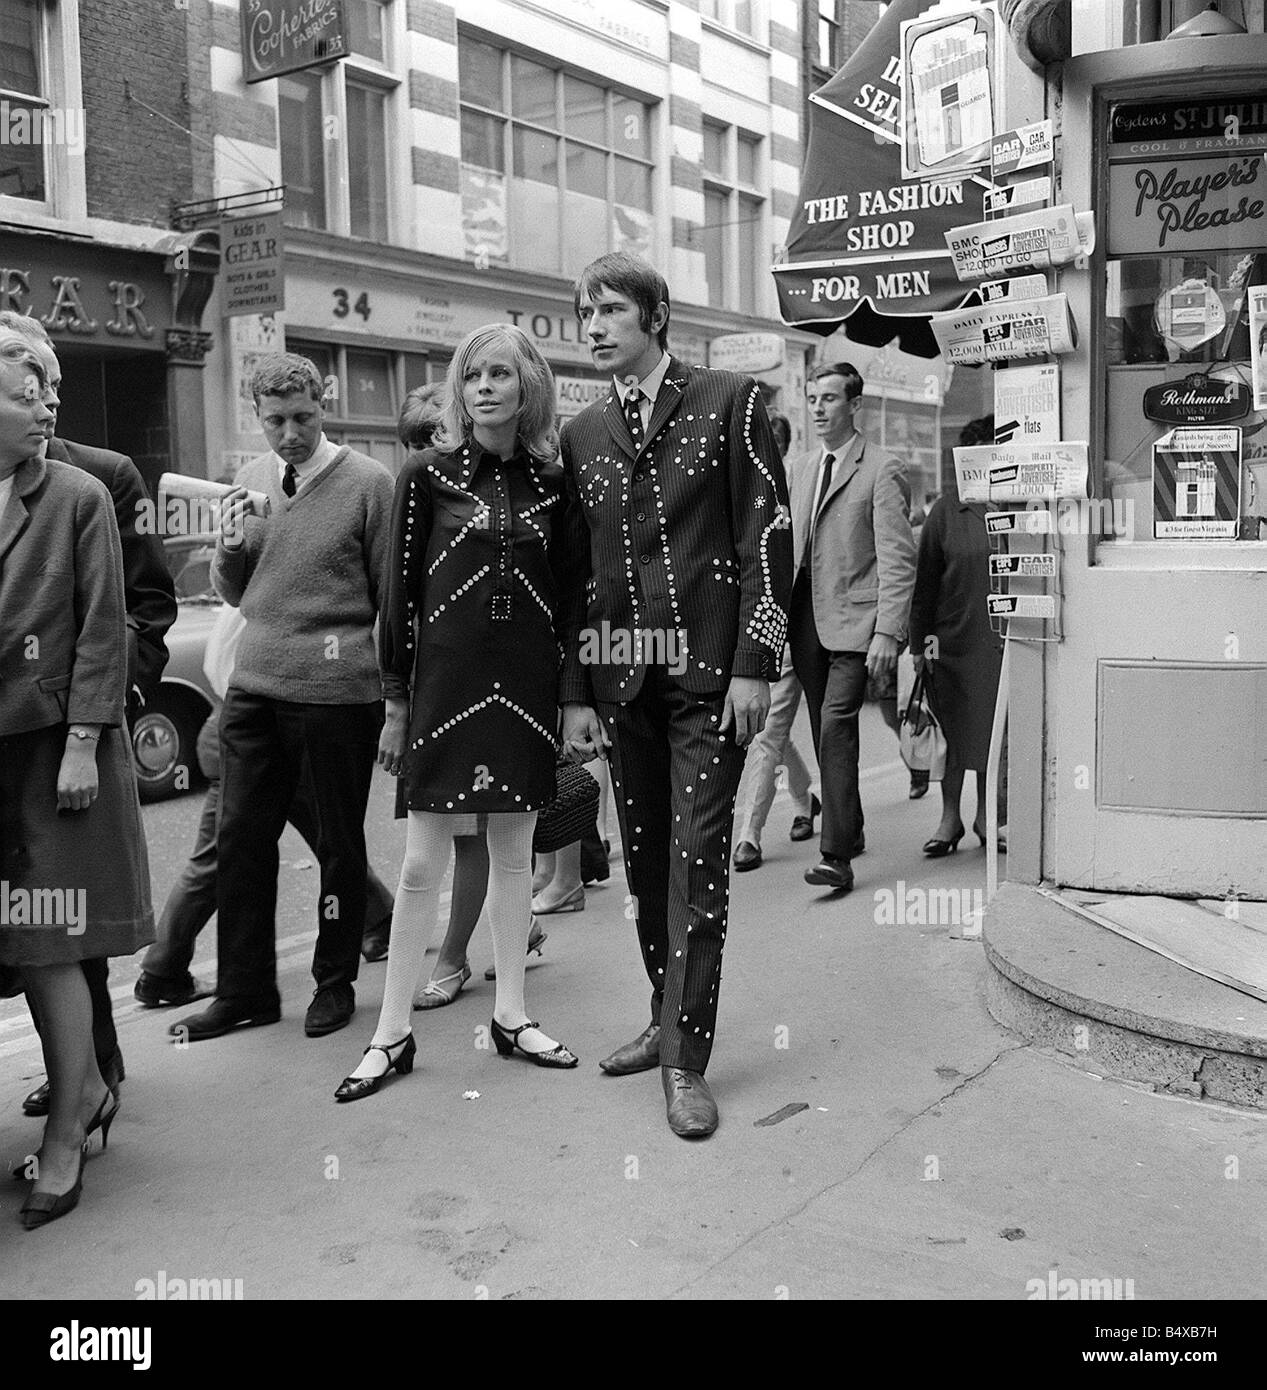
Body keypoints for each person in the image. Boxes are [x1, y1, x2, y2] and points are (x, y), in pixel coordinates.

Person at [558, 252, 793, 1139]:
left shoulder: (731, 402)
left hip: (708, 682)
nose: (594, 327)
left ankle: (684, 1063)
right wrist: (576, 689)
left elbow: (767, 538)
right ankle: (664, 1018)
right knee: (648, 860)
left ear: (656, 317)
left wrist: (751, 665)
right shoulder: (581, 435)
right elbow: (578, 574)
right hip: (624, 682)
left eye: (610, 309)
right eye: (586, 313)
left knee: (696, 859)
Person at [334, 323, 578, 1103]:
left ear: (526, 385)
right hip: (443, 688)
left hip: (526, 689)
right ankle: (390, 1034)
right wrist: (395, 703)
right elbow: (398, 598)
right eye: (471, 375)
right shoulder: (425, 475)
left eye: (499, 374)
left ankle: (510, 1013)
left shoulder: (552, 481)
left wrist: (574, 698)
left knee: (514, 856)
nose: (482, 387)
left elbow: (572, 600)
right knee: (417, 865)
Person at [171, 354, 393, 1043]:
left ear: (321, 407)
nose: (290, 434)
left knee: (336, 844)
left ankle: (333, 982)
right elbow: (238, 590)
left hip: (336, 694)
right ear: (258, 418)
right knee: (239, 841)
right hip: (254, 687)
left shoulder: (368, 484)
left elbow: (390, 596)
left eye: (302, 417)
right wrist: (230, 543)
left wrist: (396, 699)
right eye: (275, 421)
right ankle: (245, 990)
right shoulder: (250, 478)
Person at [0, 313, 176, 1121]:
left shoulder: (96, 482)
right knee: (33, 934)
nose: (48, 407)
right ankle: (85, 1081)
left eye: (51, 389)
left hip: (66, 733)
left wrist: (94, 723)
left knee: (63, 931)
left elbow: (136, 614)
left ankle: (89, 1083)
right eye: (29, 391)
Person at [133, 605, 398, 1003]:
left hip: (238, 726)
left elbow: (217, 665)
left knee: (314, 834)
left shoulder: (248, 601)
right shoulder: (269, 605)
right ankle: (163, 969)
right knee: (259, 847)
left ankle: (380, 921)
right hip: (260, 733)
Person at [788, 362, 916, 893]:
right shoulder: (799, 468)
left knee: (837, 724)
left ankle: (836, 855)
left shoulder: (881, 469)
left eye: (830, 399)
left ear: (854, 404)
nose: (819, 409)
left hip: (858, 624)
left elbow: (898, 557)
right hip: (806, 623)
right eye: (813, 399)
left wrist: (889, 631)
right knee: (823, 731)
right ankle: (853, 828)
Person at [909, 416, 1007, 855]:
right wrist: (919, 646)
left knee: (990, 730)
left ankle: (988, 816)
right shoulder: (946, 512)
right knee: (951, 730)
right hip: (948, 643)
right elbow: (924, 584)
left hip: (997, 640)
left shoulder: (1015, 506)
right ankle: (949, 819)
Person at [733, 410, 820, 872]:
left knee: (766, 735)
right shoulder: (737, 485)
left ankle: (749, 833)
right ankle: (804, 797)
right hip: (759, 632)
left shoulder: (799, 485)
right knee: (770, 731)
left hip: (797, 629)